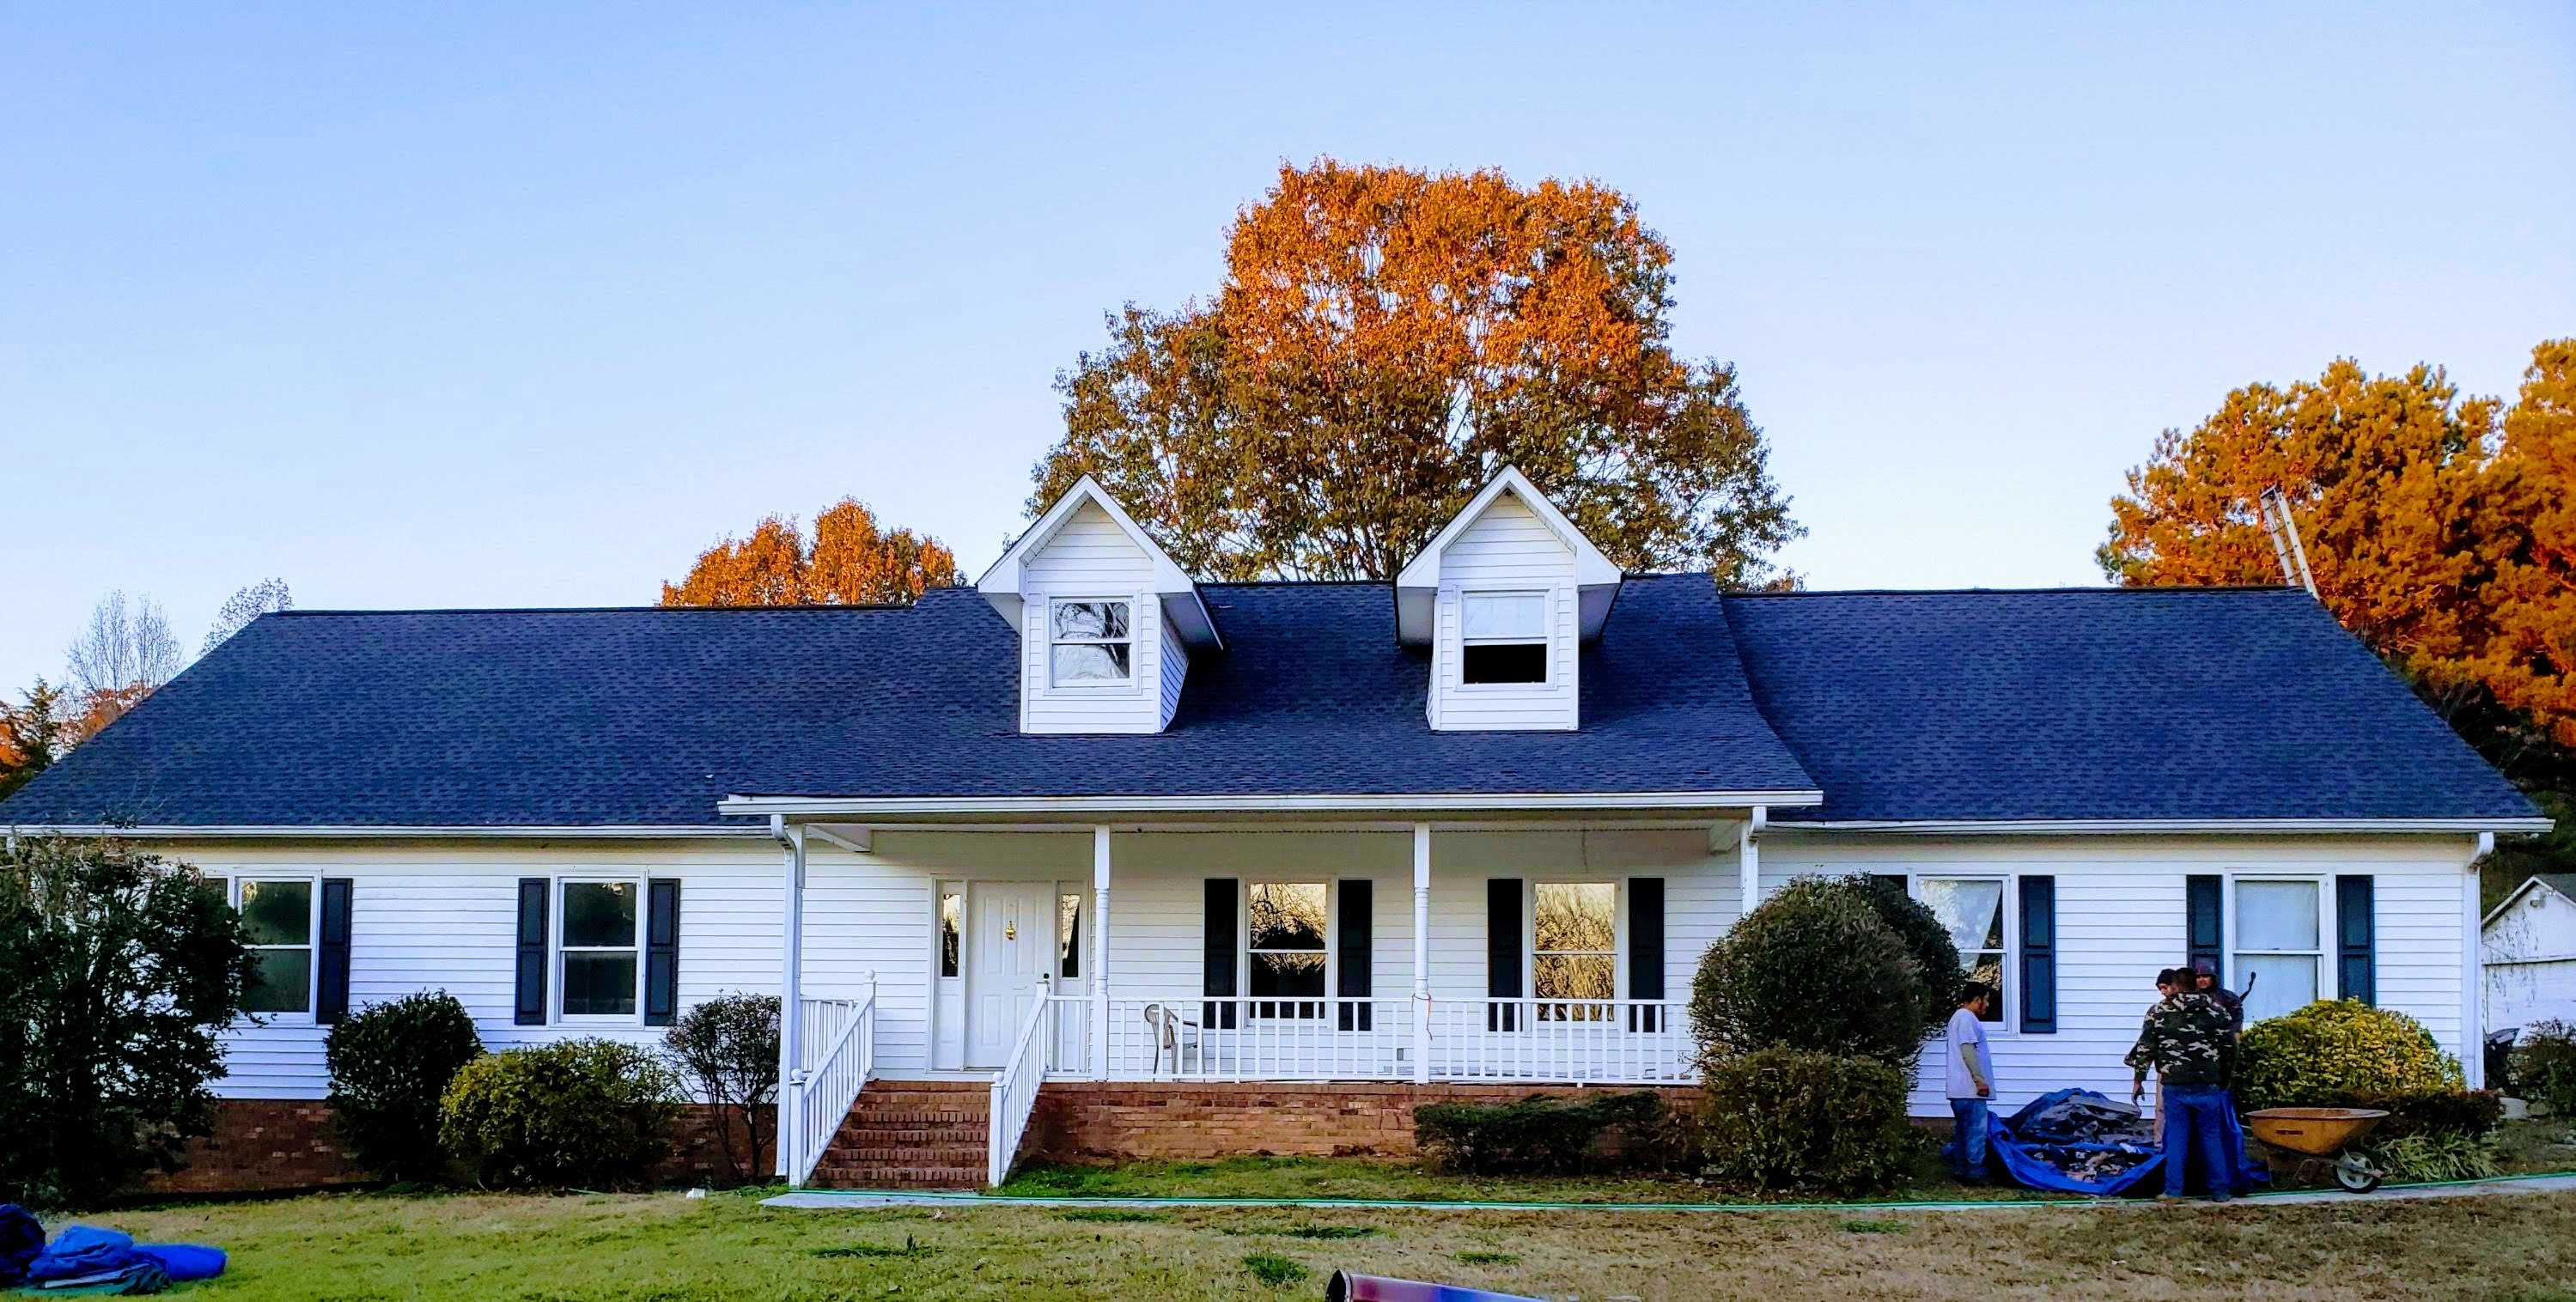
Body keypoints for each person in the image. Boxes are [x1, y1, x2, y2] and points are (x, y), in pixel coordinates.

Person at [2126, 967, 2237, 1202]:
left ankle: (2173, 1191)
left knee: (2176, 1137)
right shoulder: (2217, 1012)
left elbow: (2146, 1048)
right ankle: (2220, 1191)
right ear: (2196, 984)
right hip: (2208, 1085)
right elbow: (2230, 1049)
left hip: (2175, 1084)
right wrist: (2224, 1078)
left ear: (2174, 986)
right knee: (2211, 1137)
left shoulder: (2159, 1012)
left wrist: (2138, 1080)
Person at [1942, 982, 1996, 1183]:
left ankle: (1960, 1170)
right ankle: (1975, 1172)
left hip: (1958, 1090)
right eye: (1986, 1000)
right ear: (1976, 999)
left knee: (1962, 1131)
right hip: (1969, 1089)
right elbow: (1968, 1051)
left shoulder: (1957, 1018)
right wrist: (1980, 1081)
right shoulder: (1966, 1018)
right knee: (1975, 1131)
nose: (1988, 1005)